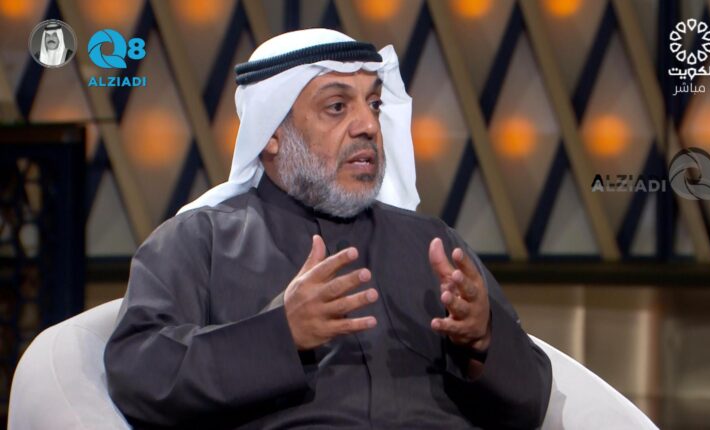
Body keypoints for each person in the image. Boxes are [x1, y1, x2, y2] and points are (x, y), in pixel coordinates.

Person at [104, 28, 552, 429]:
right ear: (271, 133)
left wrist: (483, 340)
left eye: (374, 104)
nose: (368, 125)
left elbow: (531, 406)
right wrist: (280, 333)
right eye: (337, 107)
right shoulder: (200, 241)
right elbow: (139, 375)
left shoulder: (431, 244)